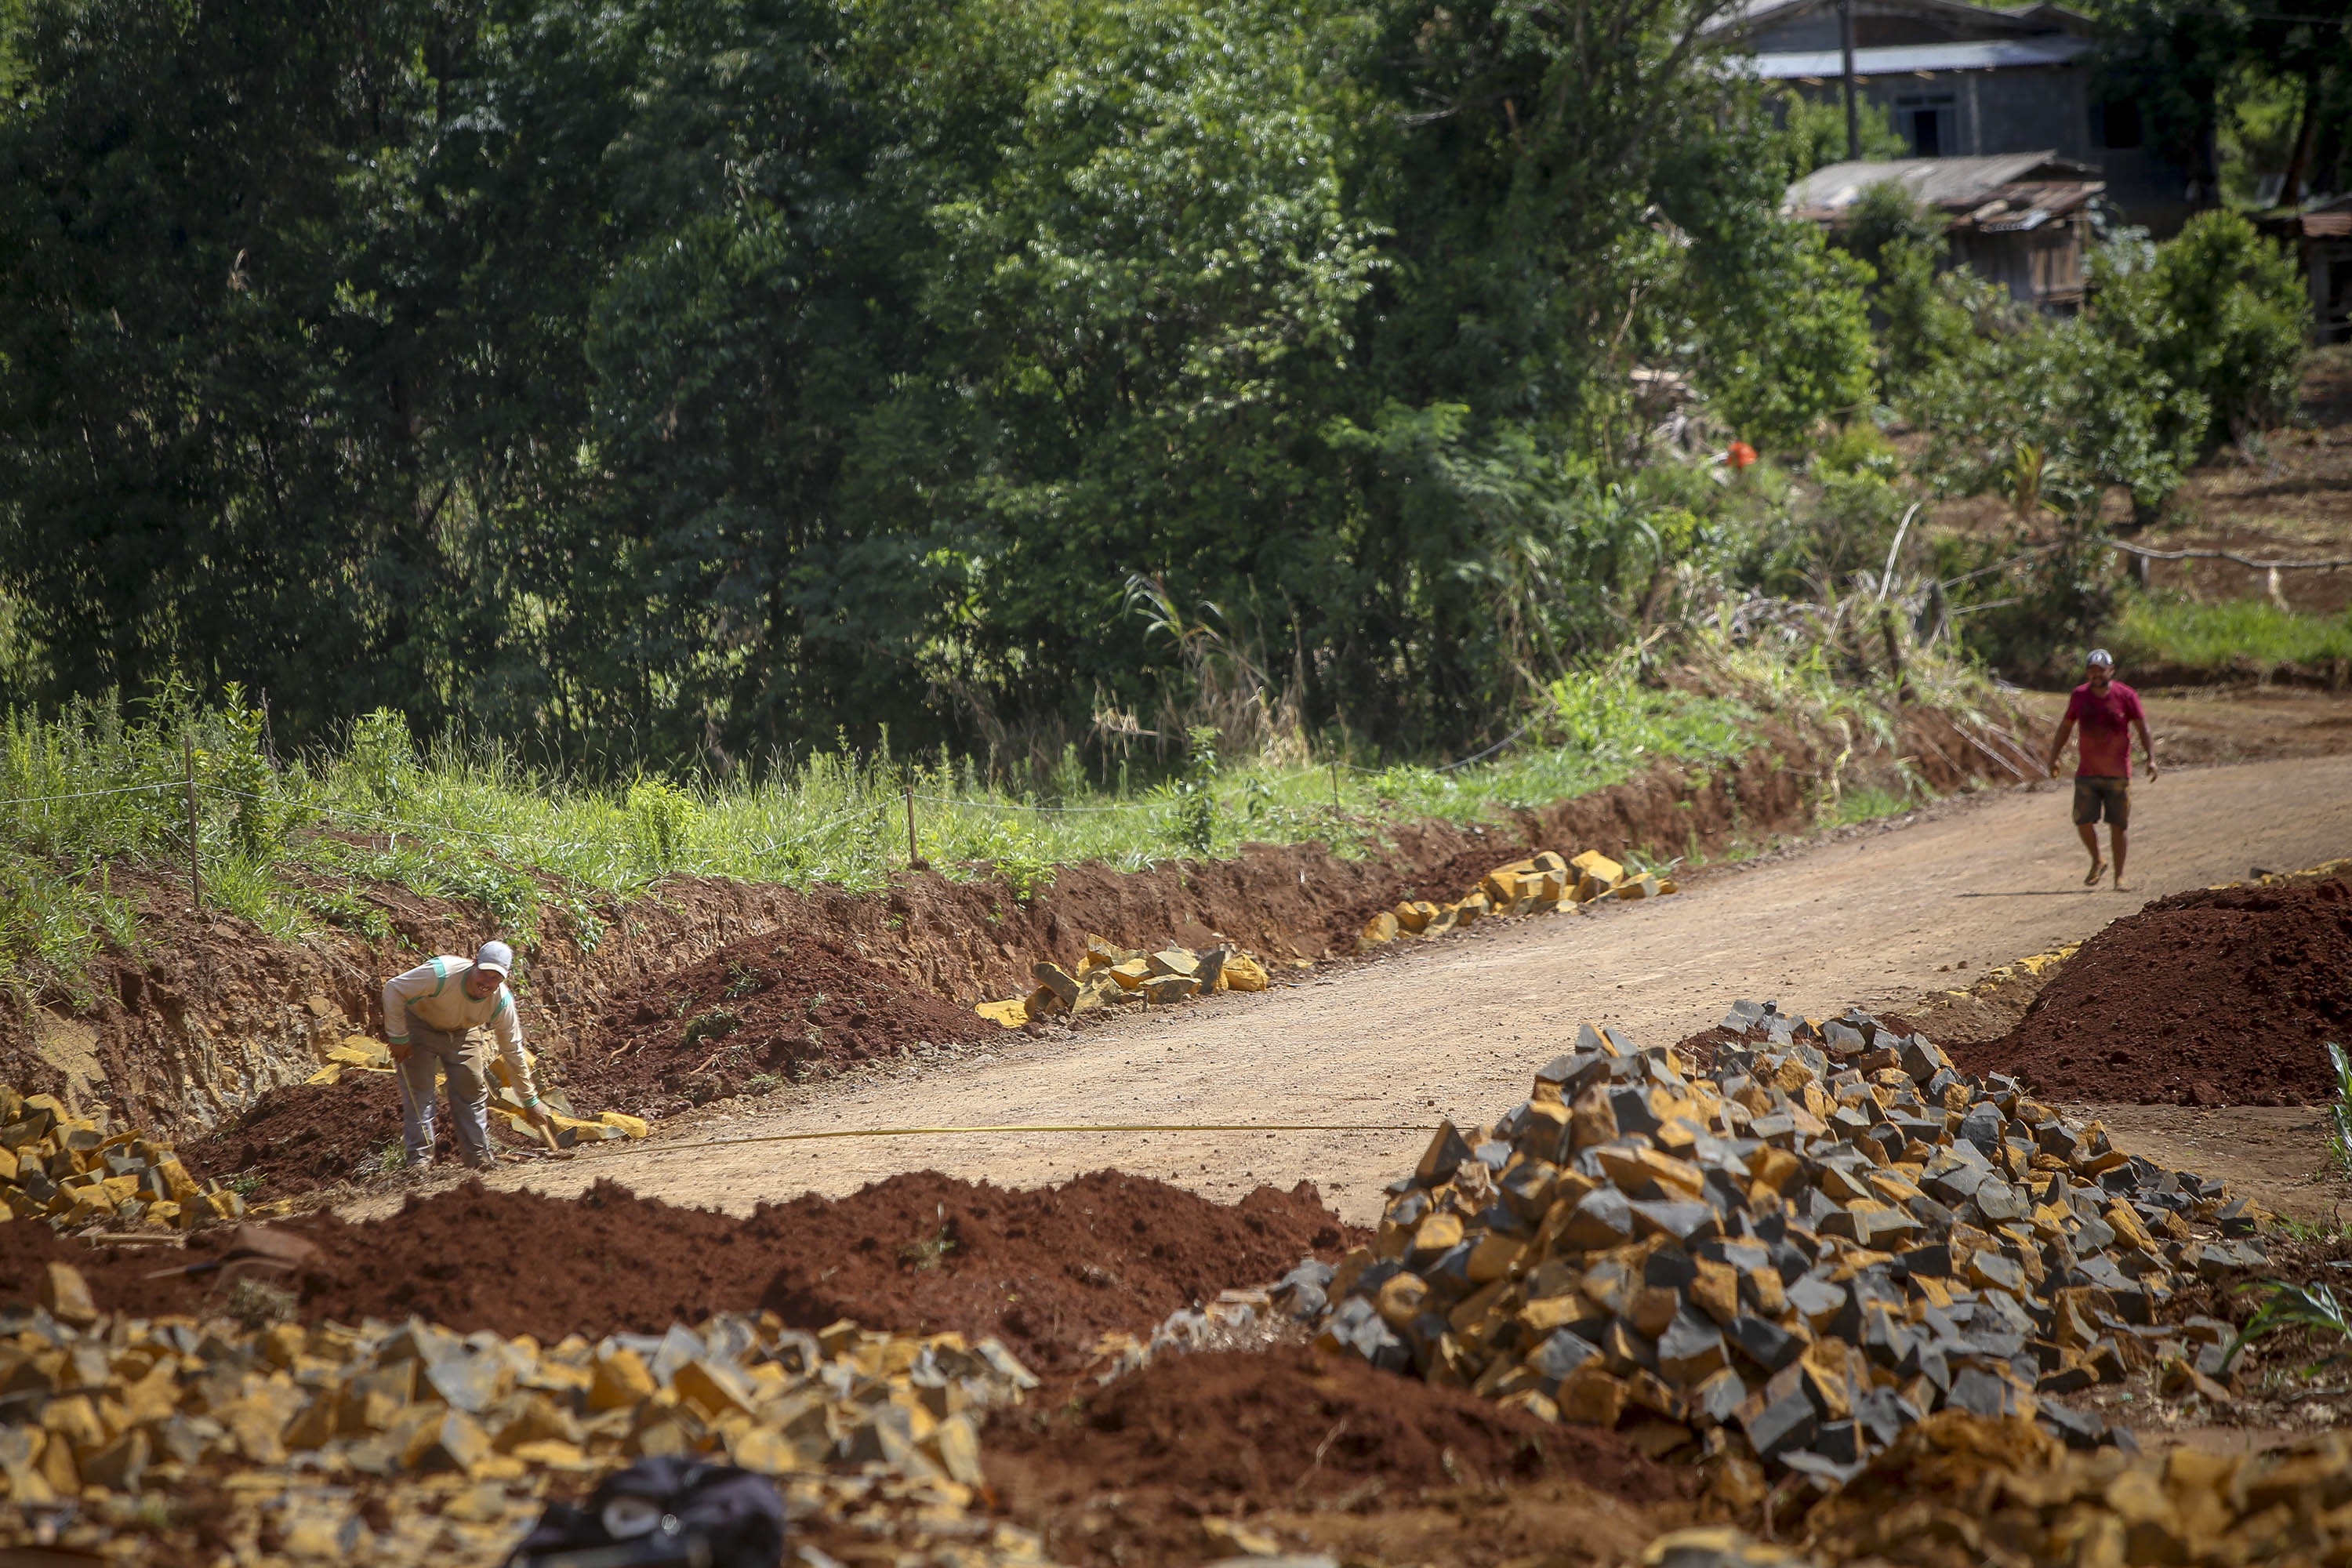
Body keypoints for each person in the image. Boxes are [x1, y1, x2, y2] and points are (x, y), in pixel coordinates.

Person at [382, 940, 554, 1169]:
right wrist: (398, 1036)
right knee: (420, 1092)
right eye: (484, 974)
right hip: (420, 1027)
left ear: (505, 977)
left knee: (472, 1090)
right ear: (474, 964)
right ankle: (419, 1163)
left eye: (496, 978)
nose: (487, 983)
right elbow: (394, 988)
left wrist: (530, 1101)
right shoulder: (441, 974)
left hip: (464, 1032)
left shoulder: (502, 1001)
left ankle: (479, 1159)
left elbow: (512, 1051)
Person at [2042, 648, 2158, 890]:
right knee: (2082, 820)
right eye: (2092, 670)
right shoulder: (2079, 696)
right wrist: (2054, 757)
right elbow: (2065, 727)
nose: (2096, 675)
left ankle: (2120, 877)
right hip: (2087, 772)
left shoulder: (2126, 696)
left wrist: (2151, 758)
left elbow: (2142, 727)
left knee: (2119, 825)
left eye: (2100, 670)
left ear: (2111, 671)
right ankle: (2098, 859)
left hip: (2118, 774)